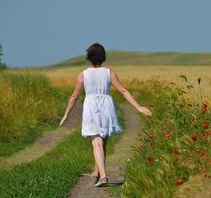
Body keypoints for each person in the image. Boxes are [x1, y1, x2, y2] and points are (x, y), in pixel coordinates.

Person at [59, 43, 152, 187]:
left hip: (91, 107)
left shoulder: (82, 75)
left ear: (89, 58)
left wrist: (66, 114)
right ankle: (97, 173)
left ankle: (103, 176)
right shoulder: (110, 73)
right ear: (103, 57)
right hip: (107, 107)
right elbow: (124, 91)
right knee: (103, 142)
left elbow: (74, 96)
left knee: (96, 142)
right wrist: (138, 107)